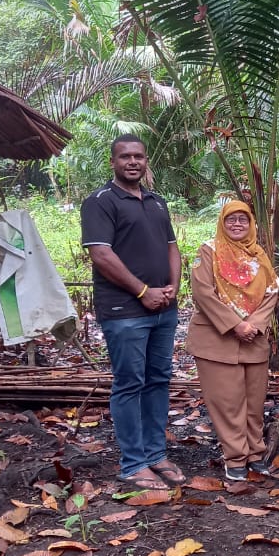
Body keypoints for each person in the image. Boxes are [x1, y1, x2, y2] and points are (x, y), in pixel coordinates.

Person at [80, 135, 184, 490]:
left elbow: (172, 247)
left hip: (163, 309)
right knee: (129, 383)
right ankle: (133, 463)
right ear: (113, 162)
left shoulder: (157, 202)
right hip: (125, 311)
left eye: (138, 156)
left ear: (146, 161)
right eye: (125, 156)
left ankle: (156, 454)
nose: (132, 162)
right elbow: (101, 255)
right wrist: (142, 291)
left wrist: (173, 285)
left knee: (158, 380)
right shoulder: (100, 202)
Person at [187, 200, 279, 483]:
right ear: (222, 223)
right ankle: (235, 457)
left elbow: (273, 290)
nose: (237, 224)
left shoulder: (259, 254)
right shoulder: (209, 251)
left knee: (254, 402)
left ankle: (255, 453)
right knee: (228, 403)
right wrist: (235, 325)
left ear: (251, 224)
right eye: (231, 220)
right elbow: (202, 292)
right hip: (217, 340)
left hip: (254, 339)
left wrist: (255, 324)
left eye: (243, 219)